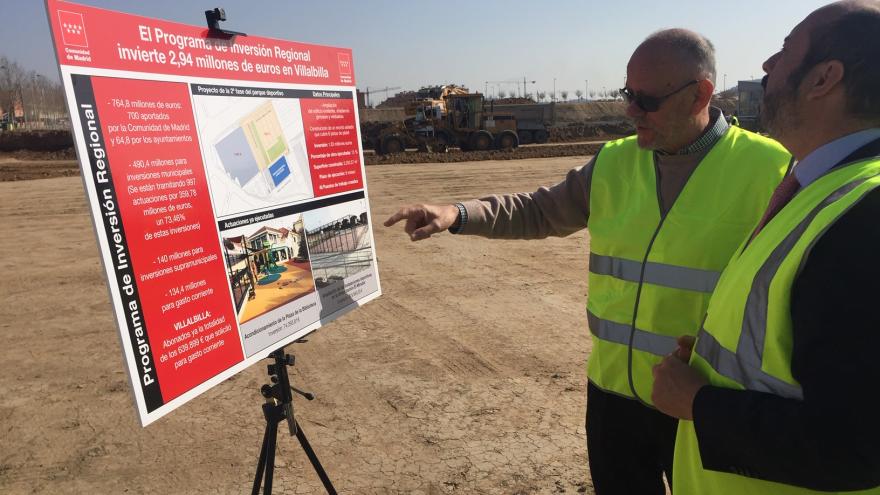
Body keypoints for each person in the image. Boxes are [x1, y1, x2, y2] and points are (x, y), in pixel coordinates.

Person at [385, 29, 791, 494]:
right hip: (613, 397)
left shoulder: (771, 169)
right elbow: (538, 210)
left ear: (700, 93)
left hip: (701, 402)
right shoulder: (616, 161)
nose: (630, 111)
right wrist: (457, 213)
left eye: (646, 99)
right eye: (627, 94)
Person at [651, 1, 880, 493]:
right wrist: (716, 367)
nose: (767, 66)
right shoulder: (821, 189)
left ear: (824, 78)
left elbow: (856, 447)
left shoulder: (866, 212)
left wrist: (698, 403)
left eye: (783, 52)